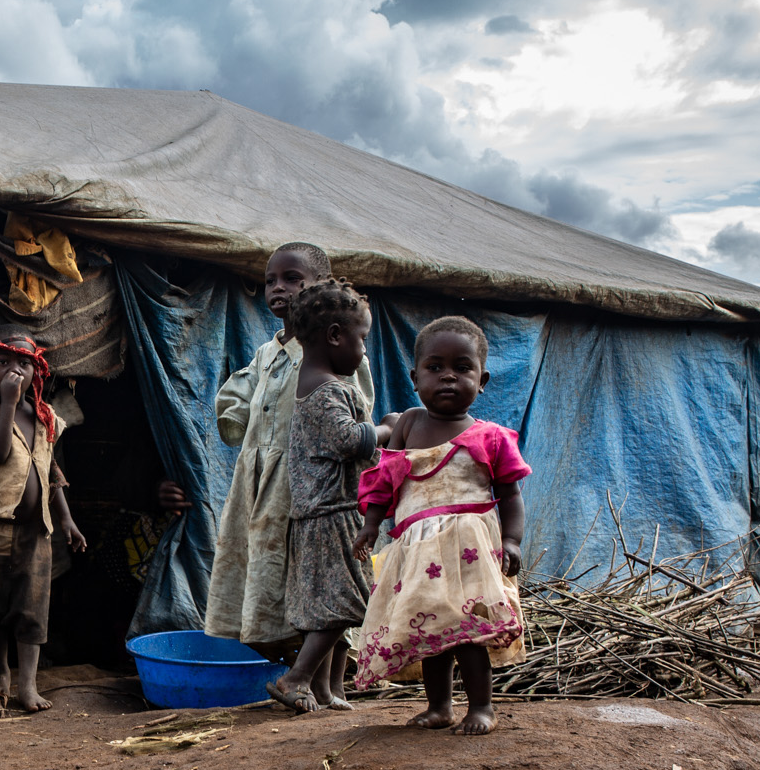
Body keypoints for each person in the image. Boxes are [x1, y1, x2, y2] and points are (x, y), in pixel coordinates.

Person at [204, 243, 376, 697]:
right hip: (261, 486)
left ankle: (330, 686)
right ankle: (312, 683)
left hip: (308, 487)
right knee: (287, 585)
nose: (278, 288)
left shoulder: (334, 351)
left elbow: (354, 419)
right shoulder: (268, 352)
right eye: (270, 280)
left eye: (292, 279)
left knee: (323, 584)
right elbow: (240, 401)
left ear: (319, 287)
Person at [350, 316, 530, 735]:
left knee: (468, 631)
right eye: (435, 367)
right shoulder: (409, 424)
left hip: (469, 553)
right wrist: (370, 526)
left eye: (462, 368)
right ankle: (439, 707)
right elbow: (383, 482)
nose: (448, 376)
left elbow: (510, 495)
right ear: (415, 378)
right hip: (418, 551)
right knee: (429, 627)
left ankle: (481, 707)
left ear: (482, 381)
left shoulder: (491, 437)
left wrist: (512, 540)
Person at [264, 281, 381, 715]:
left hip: (320, 514)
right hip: (333, 514)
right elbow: (348, 441)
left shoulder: (312, 383)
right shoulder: (329, 390)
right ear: (335, 336)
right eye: (362, 340)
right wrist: (387, 430)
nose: (364, 351)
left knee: (327, 605)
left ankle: (327, 689)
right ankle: (295, 679)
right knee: (346, 601)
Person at [0, 325, 88, 712]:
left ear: (37, 370)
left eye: (23, 364)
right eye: (3, 362)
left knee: (32, 609)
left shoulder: (43, 417)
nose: (14, 371)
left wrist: (66, 519)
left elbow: (50, 470)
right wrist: (8, 403)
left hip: (37, 533)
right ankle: (0, 676)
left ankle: (28, 685)